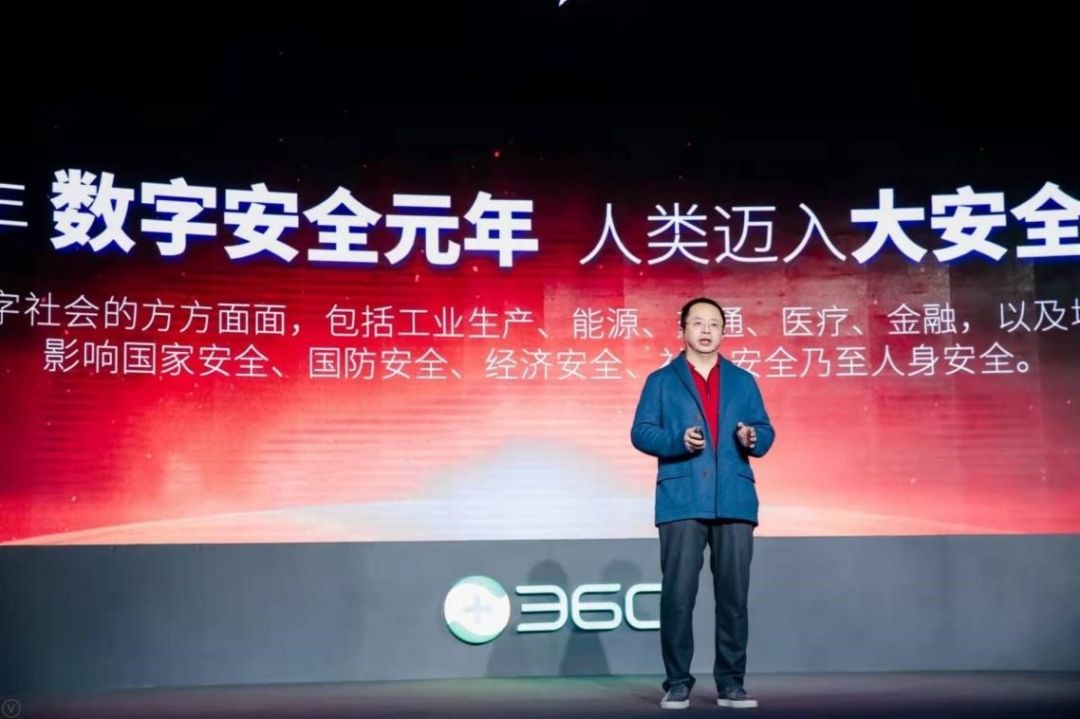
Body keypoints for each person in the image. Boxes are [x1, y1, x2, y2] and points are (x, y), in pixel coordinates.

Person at [631, 297, 775, 710]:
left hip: (734, 500)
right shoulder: (661, 380)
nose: (706, 330)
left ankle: (731, 683)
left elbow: (765, 431)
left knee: (733, 598)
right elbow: (641, 432)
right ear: (683, 330)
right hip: (681, 499)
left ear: (724, 331)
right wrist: (677, 441)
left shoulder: (743, 381)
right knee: (678, 596)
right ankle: (677, 682)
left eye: (714, 323)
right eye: (698, 322)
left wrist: (752, 438)